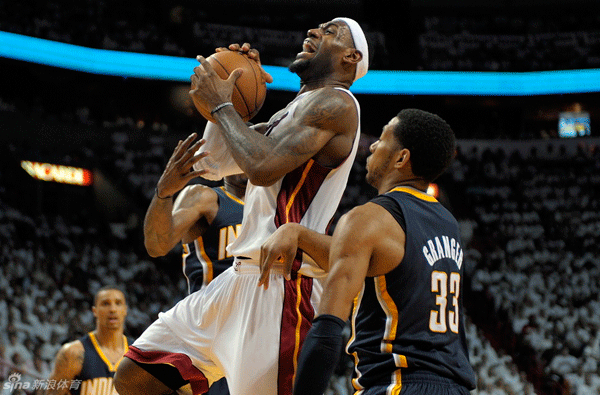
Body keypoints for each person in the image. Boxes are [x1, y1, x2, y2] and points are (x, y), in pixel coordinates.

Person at [114, 17, 368, 395]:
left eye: (330, 31)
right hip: (236, 278)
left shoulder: (337, 104)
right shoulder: (290, 112)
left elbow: (262, 168)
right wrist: (233, 100)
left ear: (351, 57)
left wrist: (221, 107)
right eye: (317, 27)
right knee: (136, 376)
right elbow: (216, 164)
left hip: (281, 285)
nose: (314, 31)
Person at [259, 109, 477, 394]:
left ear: (402, 158)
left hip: (398, 383)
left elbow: (327, 330)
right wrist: (298, 233)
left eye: (383, 138)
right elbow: (365, 257)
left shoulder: (366, 219)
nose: (372, 145)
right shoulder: (446, 222)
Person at [143, 138, 248, 395]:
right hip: (208, 334)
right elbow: (157, 245)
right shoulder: (204, 197)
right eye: (238, 152)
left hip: (253, 333)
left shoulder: (274, 209)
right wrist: (164, 192)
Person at [46, 286, 129, 395]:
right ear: (94, 311)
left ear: (125, 310)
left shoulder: (139, 354)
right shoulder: (73, 352)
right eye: (105, 304)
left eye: (118, 303)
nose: (112, 309)